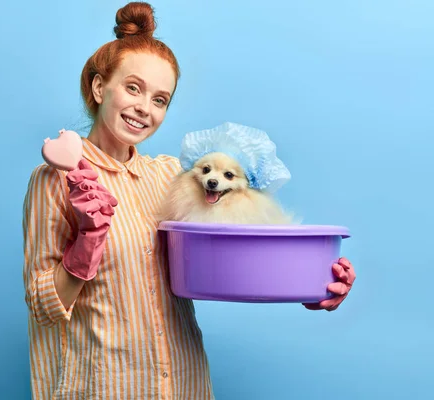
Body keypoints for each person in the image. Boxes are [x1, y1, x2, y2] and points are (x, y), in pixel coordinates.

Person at [22, 2, 357, 399]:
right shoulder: (56, 179)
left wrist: (311, 282)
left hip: (185, 383)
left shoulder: (171, 177)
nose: (144, 108)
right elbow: (43, 307)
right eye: (133, 88)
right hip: (107, 386)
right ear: (99, 88)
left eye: (160, 99)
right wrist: (86, 246)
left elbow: (238, 248)